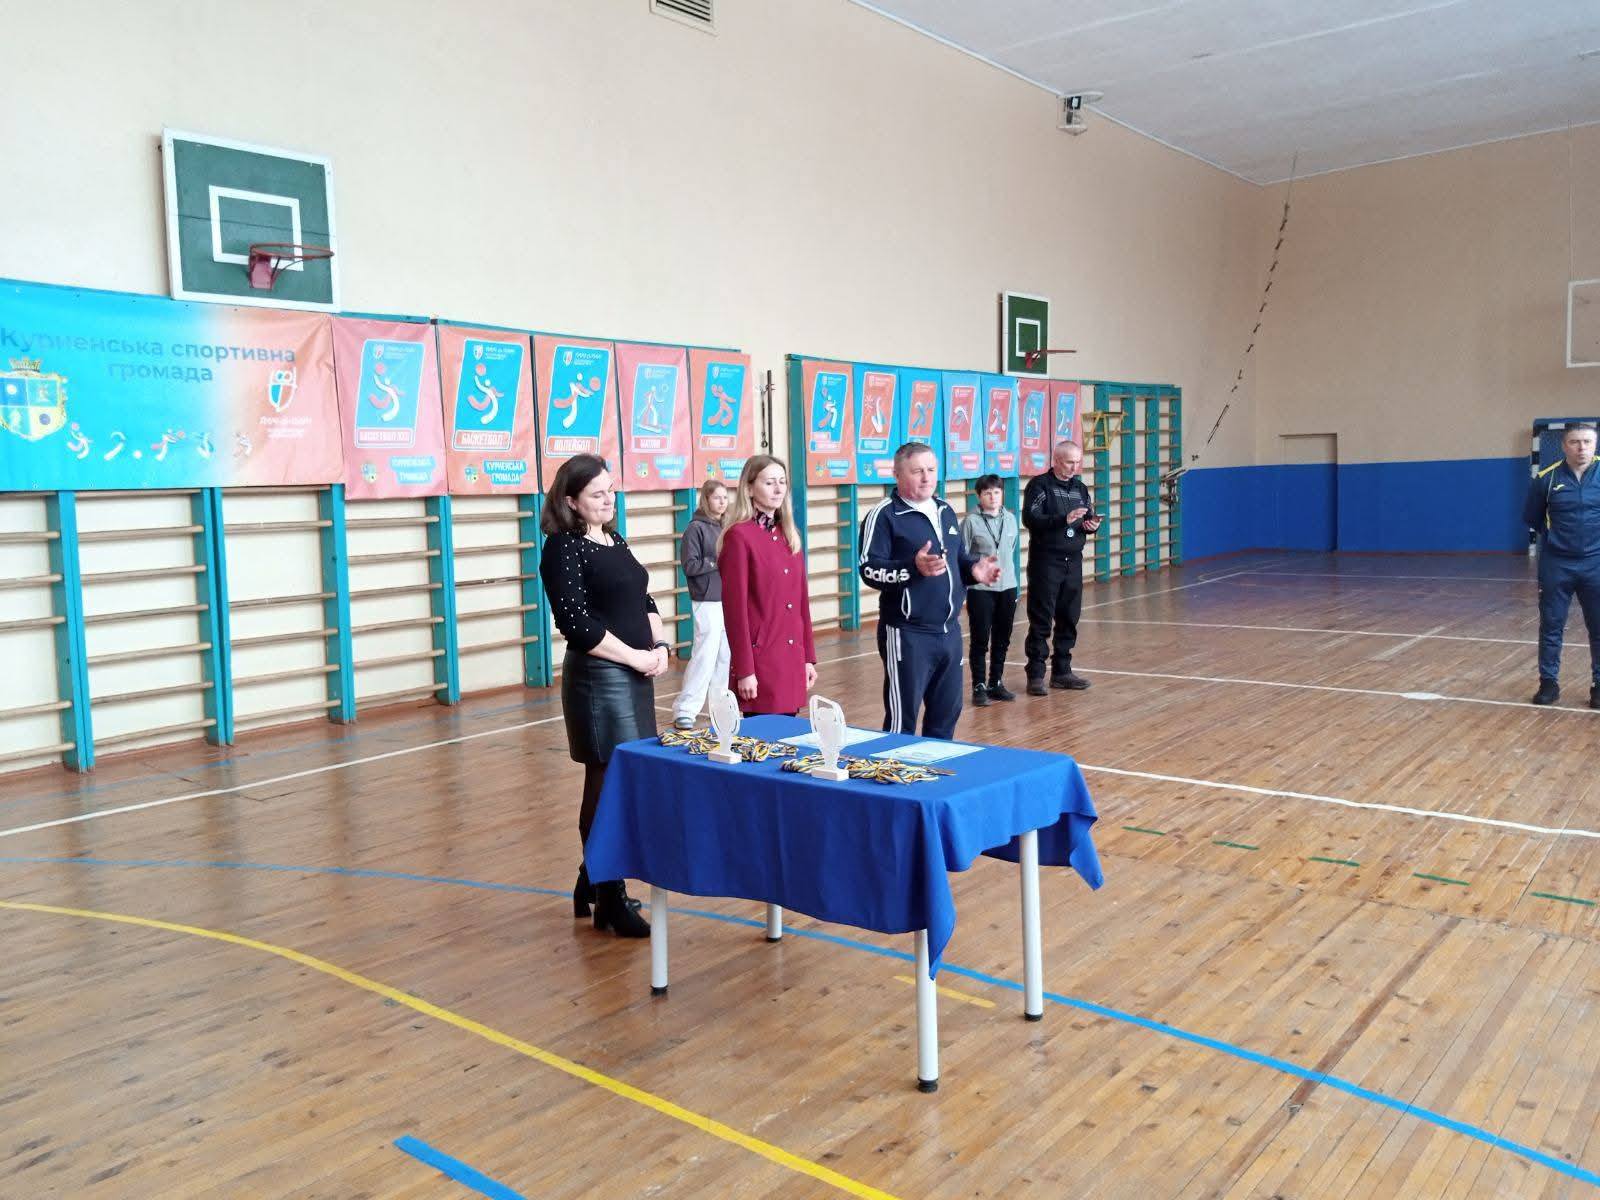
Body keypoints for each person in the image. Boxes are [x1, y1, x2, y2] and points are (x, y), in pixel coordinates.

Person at [539, 454, 666, 938]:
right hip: (599, 679)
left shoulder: (614, 539)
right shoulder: (562, 548)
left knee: (626, 778)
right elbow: (575, 623)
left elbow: (642, 598)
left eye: (611, 490)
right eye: (597, 493)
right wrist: (634, 657)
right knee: (607, 779)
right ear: (571, 501)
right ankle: (609, 895)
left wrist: (658, 646)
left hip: (634, 675)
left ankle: (589, 879)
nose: (608, 499)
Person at [859, 442, 1001, 738]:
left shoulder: (945, 510)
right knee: (902, 721)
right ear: (897, 474)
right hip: (907, 633)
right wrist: (913, 568)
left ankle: (934, 768)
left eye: (931, 470)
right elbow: (869, 569)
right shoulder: (884, 515)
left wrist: (973, 570)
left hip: (949, 632)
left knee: (947, 714)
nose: (926, 477)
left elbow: (957, 557)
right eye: (917, 471)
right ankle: (894, 767)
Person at [719, 455, 818, 715]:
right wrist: (744, 670)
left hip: (791, 659)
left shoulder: (790, 535)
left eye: (782, 482)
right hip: (761, 662)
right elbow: (735, 612)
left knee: (790, 735)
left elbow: (801, 604)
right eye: (769, 482)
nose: (778, 489)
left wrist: (807, 658)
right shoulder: (739, 536)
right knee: (763, 736)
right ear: (750, 488)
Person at [1524, 423, 1600, 707]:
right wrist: (1558, 540)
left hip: (1596, 564)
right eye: (1575, 442)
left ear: (1595, 444)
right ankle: (1549, 683)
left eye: (1587, 442)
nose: (1582, 448)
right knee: (1551, 625)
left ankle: (1598, 686)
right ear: (1564, 445)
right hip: (1557, 565)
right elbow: (1533, 518)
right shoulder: (1546, 479)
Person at [1021, 440, 1102, 696]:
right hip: (1046, 561)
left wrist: (1091, 526)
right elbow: (1030, 519)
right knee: (1041, 618)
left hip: (1073, 561)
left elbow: (1086, 518)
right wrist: (1062, 520)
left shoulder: (1080, 489)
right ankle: (1036, 674)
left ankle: (1062, 672)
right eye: (1069, 462)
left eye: (1077, 462)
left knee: (1069, 617)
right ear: (1055, 460)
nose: (1074, 467)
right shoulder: (1040, 486)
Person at [672, 479, 733, 729]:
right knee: (705, 655)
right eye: (717, 497)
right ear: (706, 500)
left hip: (727, 599)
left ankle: (719, 708)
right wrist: (718, 561)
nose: (722, 502)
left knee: (725, 656)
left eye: (725, 497)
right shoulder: (695, 529)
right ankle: (685, 709)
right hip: (706, 600)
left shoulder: (726, 526)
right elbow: (690, 565)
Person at [961, 474, 1020, 707]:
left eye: (996, 492)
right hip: (981, 589)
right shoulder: (971, 522)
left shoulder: (1011, 519)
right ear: (979, 496)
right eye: (987, 493)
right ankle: (979, 685)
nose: (993, 497)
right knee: (980, 638)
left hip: (1008, 586)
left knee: (1002, 638)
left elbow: (1011, 548)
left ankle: (996, 682)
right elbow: (963, 555)